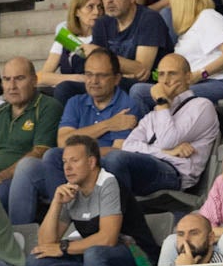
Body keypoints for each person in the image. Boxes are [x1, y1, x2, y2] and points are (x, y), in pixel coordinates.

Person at [8, 50, 135, 229]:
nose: (93, 81)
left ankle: (66, 224)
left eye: (101, 76)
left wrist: (80, 158)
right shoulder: (75, 102)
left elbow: (118, 151)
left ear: (116, 78)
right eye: (89, 74)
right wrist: (108, 124)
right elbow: (63, 142)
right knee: (27, 166)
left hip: (100, 173)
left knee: (53, 156)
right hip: (68, 170)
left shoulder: (128, 105)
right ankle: (21, 235)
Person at [24, 135, 134, 266]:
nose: (67, 167)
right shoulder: (71, 190)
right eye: (65, 162)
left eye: (74, 161)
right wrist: (56, 203)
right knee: (36, 259)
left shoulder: (109, 182)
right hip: (93, 258)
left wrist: (63, 247)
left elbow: (108, 238)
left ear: (91, 162)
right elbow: (45, 243)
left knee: (94, 253)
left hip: (136, 254)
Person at [100, 54, 218, 201]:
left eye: (172, 74)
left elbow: (166, 141)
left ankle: (120, 217)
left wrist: (162, 102)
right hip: (147, 165)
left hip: (174, 173)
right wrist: (166, 152)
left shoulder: (201, 106)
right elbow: (128, 145)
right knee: (87, 162)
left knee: (114, 159)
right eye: (161, 74)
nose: (165, 80)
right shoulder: (155, 114)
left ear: (188, 77)